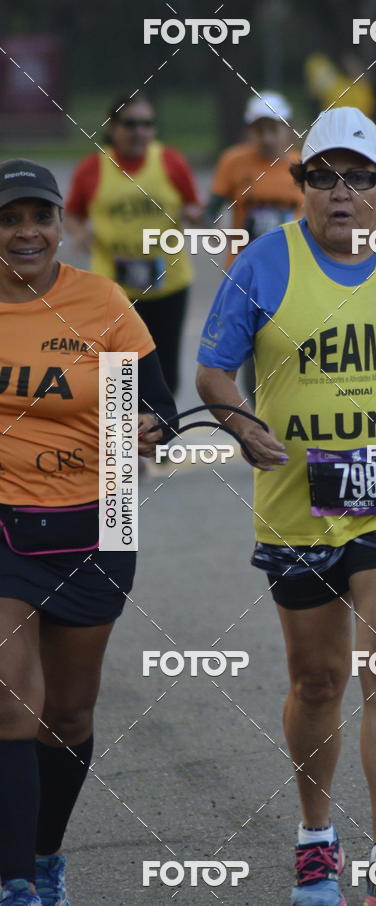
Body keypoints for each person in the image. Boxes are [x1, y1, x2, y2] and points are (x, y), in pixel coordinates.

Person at [196, 107, 376, 906]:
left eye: (359, 177)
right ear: (300, 186)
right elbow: (213, 373)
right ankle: (317, 836)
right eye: (322, 176)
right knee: (318, 680)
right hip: (299, 503)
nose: (340, 193)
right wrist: (239, 421)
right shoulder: (262, 265)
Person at [0, 160, 176, 906]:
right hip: (6, 519)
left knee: (66, 713)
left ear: (61, 225)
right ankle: (13, 884)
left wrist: (147, 427)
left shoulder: (100, 303)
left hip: (101, 514)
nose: (26, 232)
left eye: (39, 216)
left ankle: (43, 857)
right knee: (12, 701)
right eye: (10, 219)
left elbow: (158, 407)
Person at [64, 93, 203, 397]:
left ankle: (159, 439)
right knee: (119, 375)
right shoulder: (92, 168)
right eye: (130, 124)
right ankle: (121, 442)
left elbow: (196, 208)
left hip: (168, 284)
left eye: (147, 124)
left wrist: (197, 216)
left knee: (165, 373)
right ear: (112, 127)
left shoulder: (170, 162)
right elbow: (72, 212)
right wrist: (79, 232)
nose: (139, 132)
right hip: (113, 290)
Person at [205, 91, 304, 403]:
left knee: (291, 351)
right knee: (250, 360)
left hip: (293, 272)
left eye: (274, 128)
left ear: (287, 128)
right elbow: (212, 208)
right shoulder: (234, 162)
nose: (267, 137)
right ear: (250, 131)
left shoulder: (303, 167)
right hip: (245, 273)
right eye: (260, 129)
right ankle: (262, 423)